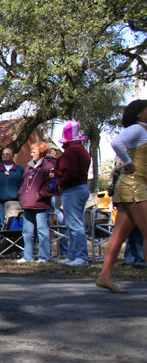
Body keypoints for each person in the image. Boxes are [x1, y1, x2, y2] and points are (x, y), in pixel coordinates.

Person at [97, 101, 147, 293]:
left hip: (133, 185)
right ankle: (104, 277)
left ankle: (104, 277)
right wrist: (128, 161)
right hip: (134, 185)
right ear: (138, 114)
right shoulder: (138, 128)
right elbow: (116, 142)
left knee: (119, 235)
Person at [55, 120, 91, 266]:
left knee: (74, 224)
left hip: (73, 189)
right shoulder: (82, 150)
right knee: (74, 223)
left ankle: (81, 257)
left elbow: (71, 171)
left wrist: (61, 184)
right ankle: (73, 255)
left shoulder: (71, 151)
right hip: (82, 187)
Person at [17, 142, 56, 263]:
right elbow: (23, 183)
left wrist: (40, 195)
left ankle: (44, 257)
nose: (31, 154)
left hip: (41, 204)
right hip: (27, 203)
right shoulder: (29, 167)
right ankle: (27, 256)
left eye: (34, 152)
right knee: (27, 231)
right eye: (31, 152)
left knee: (42, 230)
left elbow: (52, 184)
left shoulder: (48, 166)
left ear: (41, 152)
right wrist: (21, 194)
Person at [0, 148, 25, 230]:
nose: (5, 156)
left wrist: (19, 193)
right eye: (3, 154)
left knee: (13, 223)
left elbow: (24, 183)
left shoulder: (20, 170)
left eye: (7, 154)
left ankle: (13, 242)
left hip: (15, 203)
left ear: (13, 155)